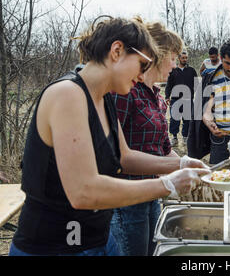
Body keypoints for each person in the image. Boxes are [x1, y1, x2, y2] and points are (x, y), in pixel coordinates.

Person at [9, 16, 210, 256]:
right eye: (143, 64)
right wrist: (166, 185)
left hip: (98, 239)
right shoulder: (67, 94)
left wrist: (180, 163)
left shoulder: (104, 98)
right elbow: (83, 191)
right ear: (117, 51)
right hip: (53, 247)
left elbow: (124, 158)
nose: (142, 75)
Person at [110, 21, 183, 256]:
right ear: (157, 54)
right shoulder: (126, 90)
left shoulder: (157, 96)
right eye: (173, 57)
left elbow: (164, 149)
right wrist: (182, 166)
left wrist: (193, 165)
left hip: (152, 194)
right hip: (127, 200)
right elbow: (113, 151)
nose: (175, 64)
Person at [165, 51, 198, 145]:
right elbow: (169, 85)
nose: (185, 59)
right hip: (175, 99)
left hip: (188, 99)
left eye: (186, 58)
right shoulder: (173, 70)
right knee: (174, 119)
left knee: (187, 120)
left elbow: (196, 85)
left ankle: (185, 137)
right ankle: (174, 138)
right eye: (183, 58)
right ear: (179, 58)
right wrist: (167, 96)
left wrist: (194, 94)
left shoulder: (191, 70)